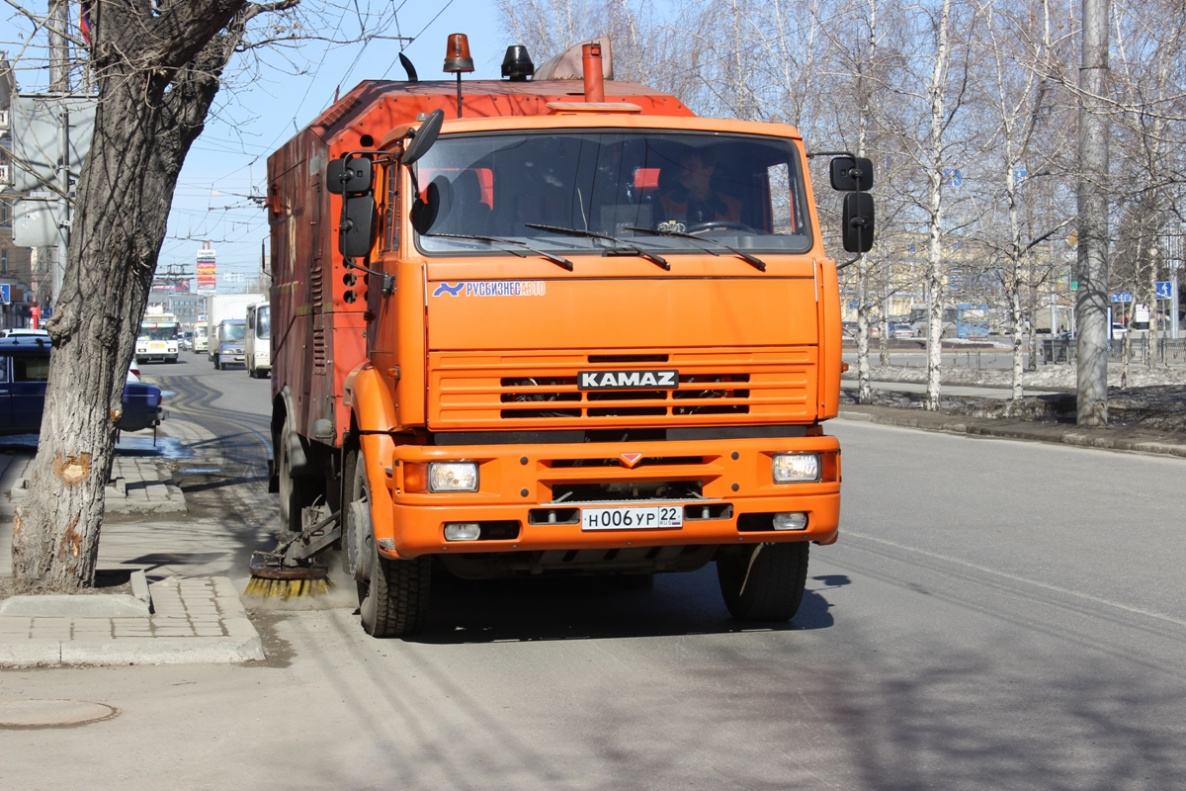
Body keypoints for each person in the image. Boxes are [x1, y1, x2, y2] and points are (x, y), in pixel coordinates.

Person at [657, 150, 741, 231]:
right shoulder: (665, 203)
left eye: (691, 166)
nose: (684, 173)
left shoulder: (732, 206)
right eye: (682, 167)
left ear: (709, 171)